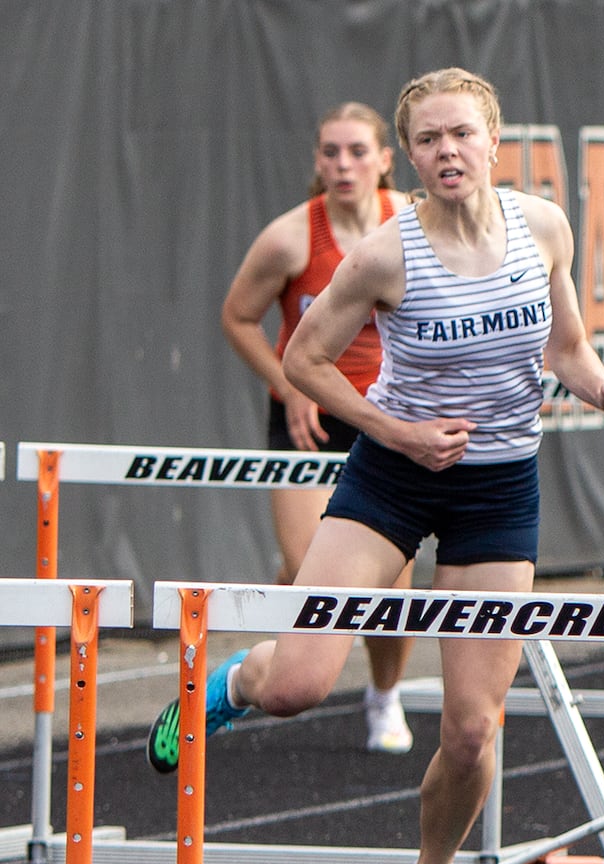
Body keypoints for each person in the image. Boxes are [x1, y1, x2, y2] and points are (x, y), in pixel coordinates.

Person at [147, 67, 604, 864]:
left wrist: (603, 389)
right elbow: (303, 362)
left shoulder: (544, 228)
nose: (448, 151)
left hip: (499, 489)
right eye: (429, 139)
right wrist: (399, 430)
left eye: (462, 134)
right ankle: (229, 682)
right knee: (300, 686)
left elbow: (566, 347)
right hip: (392, 474)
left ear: (495, 142)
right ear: (409, 156)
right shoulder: (387, 251)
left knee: (470, 730)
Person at [219, 102, 418, 755]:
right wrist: (286, 382)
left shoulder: (412, 223)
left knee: (390, 588)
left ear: (385, 159)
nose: (343, 164)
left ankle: (384, 695)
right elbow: (238, 317)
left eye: (357, 151)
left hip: (387, 417)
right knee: (312, 570)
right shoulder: (292, 239)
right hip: (308, 417)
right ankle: (276, 646)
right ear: (316, 161)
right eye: (331, 152)